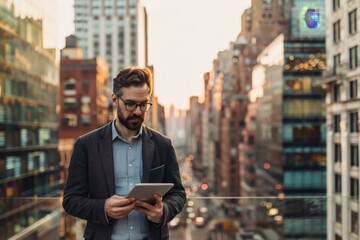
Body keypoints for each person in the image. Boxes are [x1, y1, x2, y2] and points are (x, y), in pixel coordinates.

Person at [62, 66, 186, 240]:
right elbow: (71, 201)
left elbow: (178, 194)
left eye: (143, 104)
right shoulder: (86, 145)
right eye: (130, 104)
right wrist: (103, 207)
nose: (137, 111)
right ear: (115, 99)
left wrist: (163, 211)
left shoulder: (162, 145)